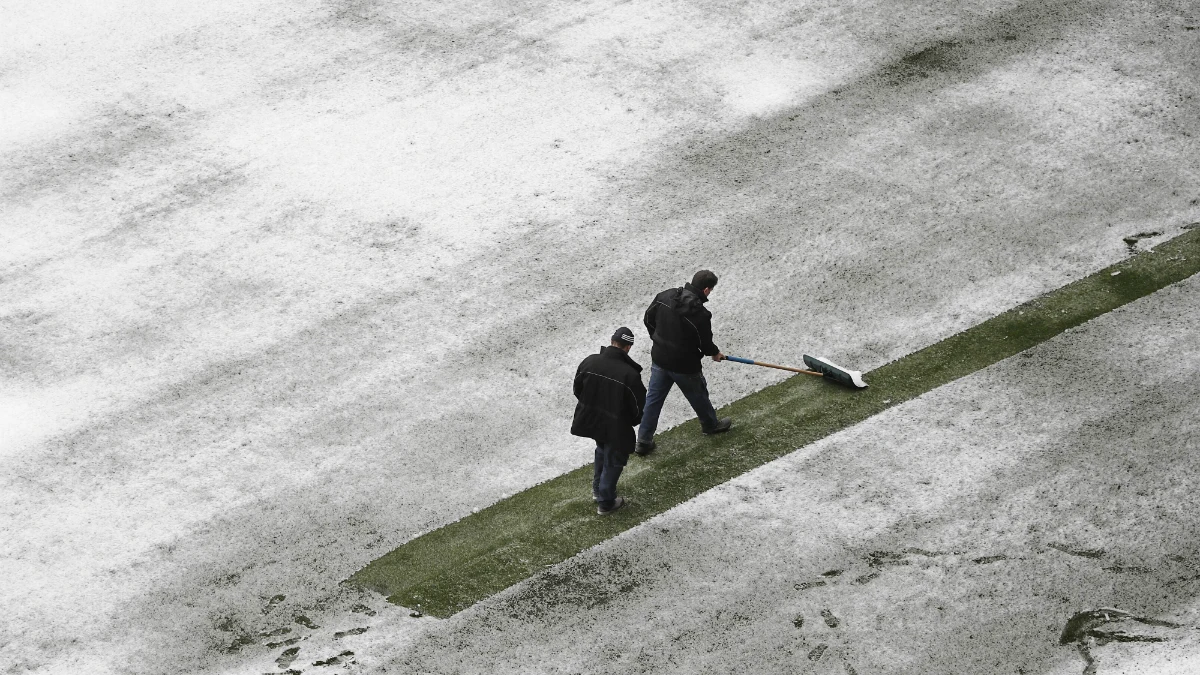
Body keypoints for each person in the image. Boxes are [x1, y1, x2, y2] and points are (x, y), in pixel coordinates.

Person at [636, 270, 731, 456]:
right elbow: (704, 342)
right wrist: (714, 353)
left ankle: (643, 441)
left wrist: (657, 339)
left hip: (660, 359)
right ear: (705, 289)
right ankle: (710, 425)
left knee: (653, 401)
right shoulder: (701, 314)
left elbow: (648, 317)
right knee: (698, 395)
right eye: (710, 290)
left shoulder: (665, 296)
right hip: (685, 366)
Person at [571, 327, 647, 515]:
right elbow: (638, 407)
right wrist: (631, 420)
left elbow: (577, 389)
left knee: (601, 450)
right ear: (628, 347)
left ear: (612, 341)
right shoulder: (629, 374)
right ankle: (605, 501)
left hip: (592, 420)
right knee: (614, 459)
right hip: (616, 425)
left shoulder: (589, 362)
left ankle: (598, 490)